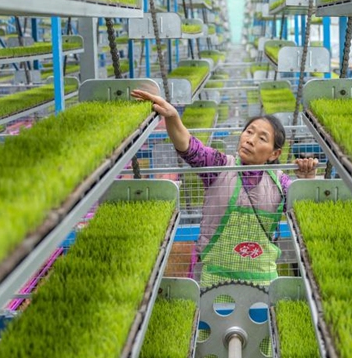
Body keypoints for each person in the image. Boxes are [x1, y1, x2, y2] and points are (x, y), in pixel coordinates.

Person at [131, 89, 319, 288]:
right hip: (215, 281)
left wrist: (307, 180)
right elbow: (189, 146)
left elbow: (306, 215)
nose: (250, 140)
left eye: (262, 138)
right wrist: (172, 117)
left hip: (263, 280)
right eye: (249, 132)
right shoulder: (219, 166)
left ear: (275, 154)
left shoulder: (281, 184)